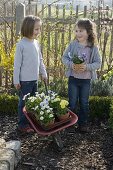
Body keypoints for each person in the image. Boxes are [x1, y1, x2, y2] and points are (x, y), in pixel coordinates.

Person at [62, 18, 101, 132]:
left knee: (84, 102)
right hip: (73, 79)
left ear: (88, 32)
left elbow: (98, 63)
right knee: (72, 102)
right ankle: (70, 124)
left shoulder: (93, 47)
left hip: (85, 80)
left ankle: (83, 124)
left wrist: (87, 67)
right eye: (76, 31)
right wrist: (71, 65)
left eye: (81, 31)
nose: (78, 33)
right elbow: (64, 58)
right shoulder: (72, 45)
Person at [13, 15, 47, 133]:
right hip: (24, 81)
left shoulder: (36, 43)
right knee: (24, 103)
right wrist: (16, 80)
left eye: (39, 29)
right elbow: (17, 65)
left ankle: (31, 123)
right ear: (28, 28)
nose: (39, 31)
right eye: (36, 29)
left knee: (34, 102)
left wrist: (44, 73)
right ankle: (22, 125)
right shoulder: (21, 45)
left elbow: (40, 60)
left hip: (34, 80)